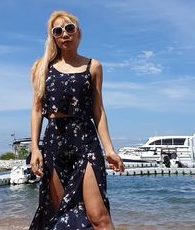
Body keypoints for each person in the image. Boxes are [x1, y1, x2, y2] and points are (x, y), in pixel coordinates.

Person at [29, 11, 125, 229]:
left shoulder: (93, 67)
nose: (65, 34)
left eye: (69, 28)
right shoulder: (41, 68)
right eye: (58, 31)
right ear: (53, 37)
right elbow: (36, 109)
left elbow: (98, 110)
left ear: (78, 33)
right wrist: (35, 148)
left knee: (99, 217)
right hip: (54, 141)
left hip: (85, 140)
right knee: (58, 214)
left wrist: (109, 150)